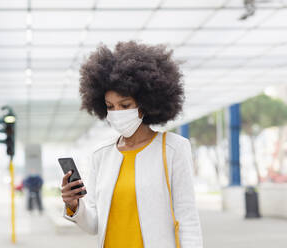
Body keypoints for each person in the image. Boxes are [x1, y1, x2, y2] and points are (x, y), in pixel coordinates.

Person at [60, 41, 203, 248]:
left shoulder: (173, 149)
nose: (117, 113)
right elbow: (94, 224)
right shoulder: (101, 155)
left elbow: (187, 219)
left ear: (144, 104)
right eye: (110, 106)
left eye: (125, 105)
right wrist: (73, 204)